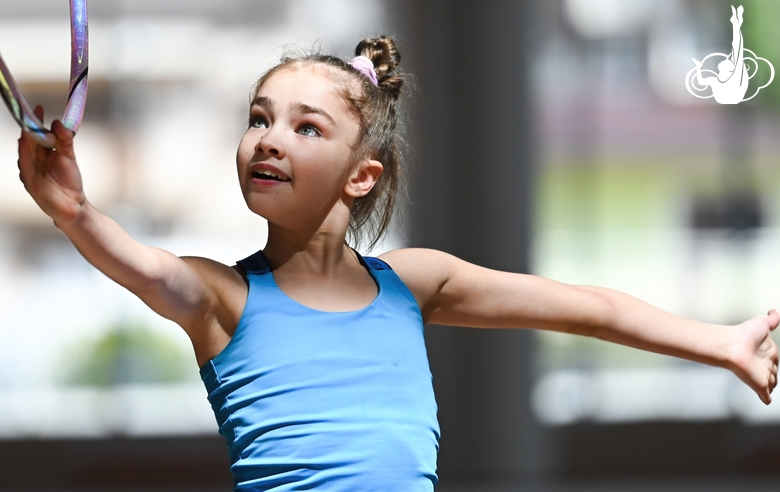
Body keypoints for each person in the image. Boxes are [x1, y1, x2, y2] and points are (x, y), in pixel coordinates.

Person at [16, 36, 779, 490]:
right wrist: (73, 211)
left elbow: (586, 306)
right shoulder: (223, 296)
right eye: (258, 119)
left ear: (362, 176)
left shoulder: (412, 283)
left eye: (305, 127)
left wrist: (720, 342)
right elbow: (140, 264)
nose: (269, 138)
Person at [692, 5, 749, 104]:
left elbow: (737, 49)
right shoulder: (716, 80)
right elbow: (701, 82)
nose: (725, 59)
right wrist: (698, 67)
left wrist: (736, 26)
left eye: (727, 61)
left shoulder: (733, 79)